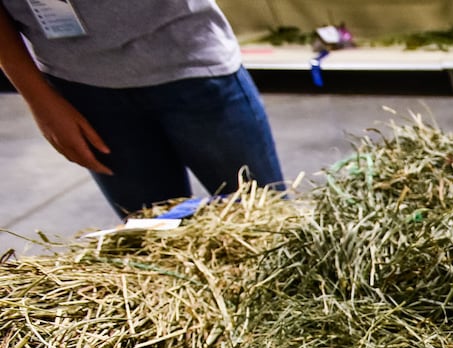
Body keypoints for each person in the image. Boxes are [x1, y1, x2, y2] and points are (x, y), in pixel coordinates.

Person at [0, 0, 282, 219]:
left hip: (194, 66)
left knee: (268, 226)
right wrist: (38, 99)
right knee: (152, 239)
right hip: (82, 87)